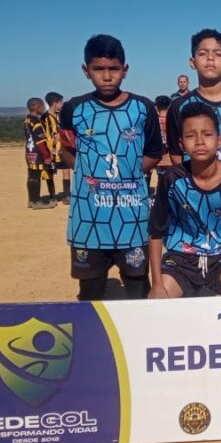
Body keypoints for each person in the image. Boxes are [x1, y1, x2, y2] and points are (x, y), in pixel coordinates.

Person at [59, 34, 163, 301]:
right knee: (91, 294)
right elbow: (68, 152)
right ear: (86, 71)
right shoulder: (73, 109)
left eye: (113, 69)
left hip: (132, 219)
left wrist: (127, 173)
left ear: (124, 70)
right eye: (98, 69)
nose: (107, 76)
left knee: (138, 288)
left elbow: (154, 153)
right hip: (88, 222)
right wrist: (88, 175)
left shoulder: (143, 108)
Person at [149, 103, 221, 298]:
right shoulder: (171, 179)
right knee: (160, 301)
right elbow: (156, 230)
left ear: (219, 140)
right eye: (190, 136)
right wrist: (156, 284)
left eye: (207, 134)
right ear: (180, 143)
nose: (199, 141)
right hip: (181, 255)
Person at [165, 29, 221, 175]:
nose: (210, 58)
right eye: (203, 53)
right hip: (194, 191)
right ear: (192, 62)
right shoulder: (178, 106)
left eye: (218, 54)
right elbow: (176, 153)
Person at [24, 97, 56, 210]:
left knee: (31, 176)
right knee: (36, 176)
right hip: (38, 152)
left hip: (29, 152)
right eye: (42, 106)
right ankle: (37, 202)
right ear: (37, 107)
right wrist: (47, 156)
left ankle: (31, 200)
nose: (44, 108)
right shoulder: (36, 122)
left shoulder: (27, 119)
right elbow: (41, 142)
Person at [41, 92, 70, 203]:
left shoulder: (60, 115)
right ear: (54, 104)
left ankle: (66, 195)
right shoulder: (45, 118)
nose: (62, 104)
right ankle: (52, 196)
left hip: (62, 150)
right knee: (50, 173)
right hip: (51, 150)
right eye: (61, 102)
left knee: (66, 171)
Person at [152, 95, 173, 195]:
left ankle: (156, 196)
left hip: (157, 155)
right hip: (171, 155)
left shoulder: (154, 121)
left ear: (157, 106)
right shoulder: (172, 120)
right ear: (169, 106)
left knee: (158, 177)